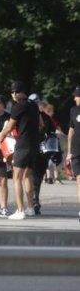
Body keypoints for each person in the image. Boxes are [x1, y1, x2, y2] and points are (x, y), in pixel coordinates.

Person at [0, 81, 43, 220]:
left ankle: (20, 210)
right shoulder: (33, 104)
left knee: (16, 177)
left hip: (23, 145)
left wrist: (1, 135)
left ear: (22, 92)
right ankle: (30, 208)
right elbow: (41, 124)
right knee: (27, 176)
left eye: (16, 92)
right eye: (12, 92)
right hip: (34, 144)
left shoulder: (18, 106)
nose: (14, 94)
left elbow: (10, 126)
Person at [66, 86, 80, 220]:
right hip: (76, 150)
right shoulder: (73, 110)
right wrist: (69, 152)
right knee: (79, 181)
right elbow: (71, 131)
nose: (75, 98)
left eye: (77, 95)